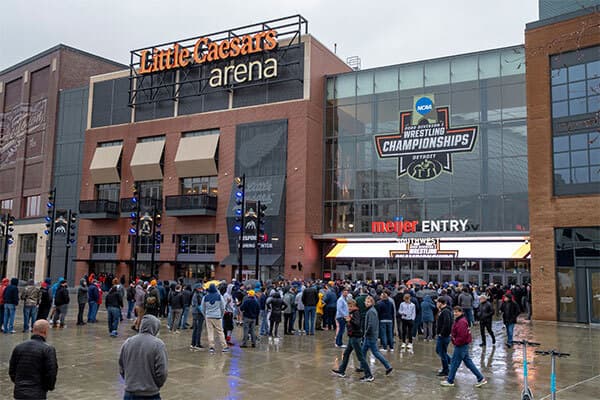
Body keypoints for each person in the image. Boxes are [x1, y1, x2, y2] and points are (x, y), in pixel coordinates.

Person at [119, 315, 168, 400]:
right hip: (150, 394)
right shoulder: (158, 344)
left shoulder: (128, 342)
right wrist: (156, 385)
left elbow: (121, 367)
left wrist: (130, 381)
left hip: (130, 393)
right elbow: (162, 372)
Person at [9, 319, 58, 399]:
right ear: (46, 331)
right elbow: (51, 372)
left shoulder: (19, 347)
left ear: (33, 330)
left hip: (19, 392)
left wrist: (19, 383)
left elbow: (12, 370)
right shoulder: (48, 349)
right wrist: (48, 387)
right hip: (37, 392)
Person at [440, 306, 487, 388]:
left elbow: (462, 336)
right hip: (463, 345)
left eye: (457, 312)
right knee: (468, 362)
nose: (455, 313)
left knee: (454, 363)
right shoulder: (461, 320)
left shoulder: (461, 322)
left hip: (460, 345)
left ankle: (450, 380)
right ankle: (480, 378)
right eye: (454, 312)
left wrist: (455, 342)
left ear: (461, 312)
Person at [331, 299, 373, 382]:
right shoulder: (352, 313)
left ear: (353, 306)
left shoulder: (356, 313)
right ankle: (341, 371)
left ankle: (369, 375)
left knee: (360, 357)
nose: (348, 308)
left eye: (349, 306)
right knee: (346, 354)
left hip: (355, 337)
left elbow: (357, 324)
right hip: (352, 337)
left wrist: (350, 320)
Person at [362, 295, 393, 376]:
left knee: (375, 352)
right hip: (369, 335)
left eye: (368, 302)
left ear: (372, 303)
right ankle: (362, 366)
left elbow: (371, 324)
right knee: (363, 351)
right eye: (366, 301)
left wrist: (366, 333)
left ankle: (388, 366)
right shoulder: (371, 310)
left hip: (370, 336)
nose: (367, 303)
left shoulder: (371, 311)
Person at [201, 283, 230, 353]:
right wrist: (221, 315)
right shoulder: (219, 297)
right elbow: (223, 307)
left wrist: (205, 315)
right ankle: (224, 346)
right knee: (220, 332)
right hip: (217, 316)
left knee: (210, 332)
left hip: (208, 317)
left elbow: (202, 308)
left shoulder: (205, 297)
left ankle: (211, 347)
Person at [435, 297, 453, 377]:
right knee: (440, 351)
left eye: (437, 303)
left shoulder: (445, 311)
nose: (436, 304)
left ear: (440, 303)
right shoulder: (443, 311)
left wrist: (442, 333)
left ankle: (446, 370)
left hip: (443, 336)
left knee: (442, 352)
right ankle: (451, 361)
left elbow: (447, 323)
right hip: (443, 335)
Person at [190, 284, 205, 350]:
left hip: (195, 313)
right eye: (201, 288)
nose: (202, 288)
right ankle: (197, 344)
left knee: (195, 329)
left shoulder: (195, 294)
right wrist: (203, 313)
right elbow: (199, 306)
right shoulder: (198, 295)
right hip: (198, 314)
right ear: (198, 288)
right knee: (198, 329)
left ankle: (193, 343)